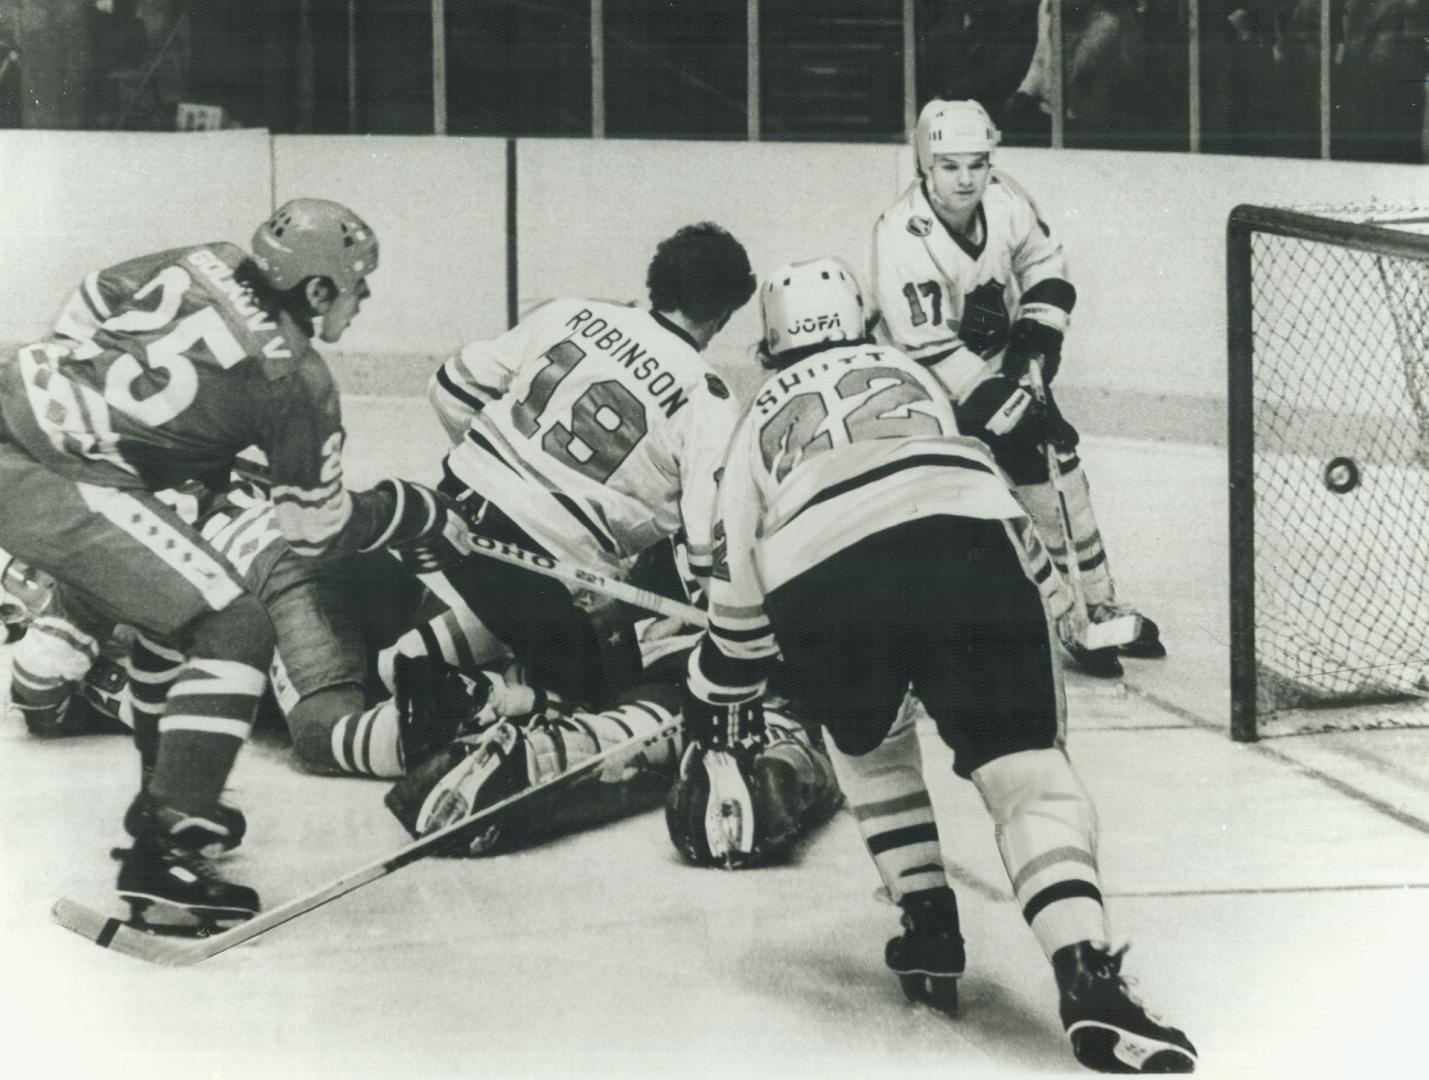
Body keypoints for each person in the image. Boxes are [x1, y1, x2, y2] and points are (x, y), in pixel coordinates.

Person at [671, 256, 1196, 1073]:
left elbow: (736, 605)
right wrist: (1063, 606)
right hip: (965, 533)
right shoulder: (913, 369)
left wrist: (715, 690)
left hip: (824, 570)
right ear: (859, 325)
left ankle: (926, 921)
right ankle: (1089, 977)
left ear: (770, 350)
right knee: (1028, 779)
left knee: (867, 742)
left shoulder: (751, 424)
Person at [0, 198, 470, 930]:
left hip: (18, 395)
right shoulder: (298, 382)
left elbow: (95, 293)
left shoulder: (206, 256)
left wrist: (98, 399)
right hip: (46, 472)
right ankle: (166, 855)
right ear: (316, 290)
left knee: (172, 620)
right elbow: (314, 529)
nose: (363, 298)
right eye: (356, 284)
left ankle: (168, 799)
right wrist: (409, 509)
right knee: (234, 623)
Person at [868, 97, 1165, 678]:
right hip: (924, 383)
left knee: (1060, 459)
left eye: (976, 164)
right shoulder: (902, 236)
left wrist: (1037, 336)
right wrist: (1008, 402)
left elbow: (1043, 262)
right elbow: (924, 346)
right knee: (994, 484)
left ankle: (1096, 601)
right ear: (926, 164)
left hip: (1000, 363)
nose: (966, 178)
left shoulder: (1005, 199)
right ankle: (1053, 614)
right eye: (950, 166)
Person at [424, 222, 757, 711]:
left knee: (540, 641)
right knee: (612, 710)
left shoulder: (572, 312)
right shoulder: (705, 397)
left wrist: (494, 475)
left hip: (445, 517)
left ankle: (452, 670)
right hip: (538, 570)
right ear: (724, 313)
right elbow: (707, 551)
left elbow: (449, 388)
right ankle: (474, 699)